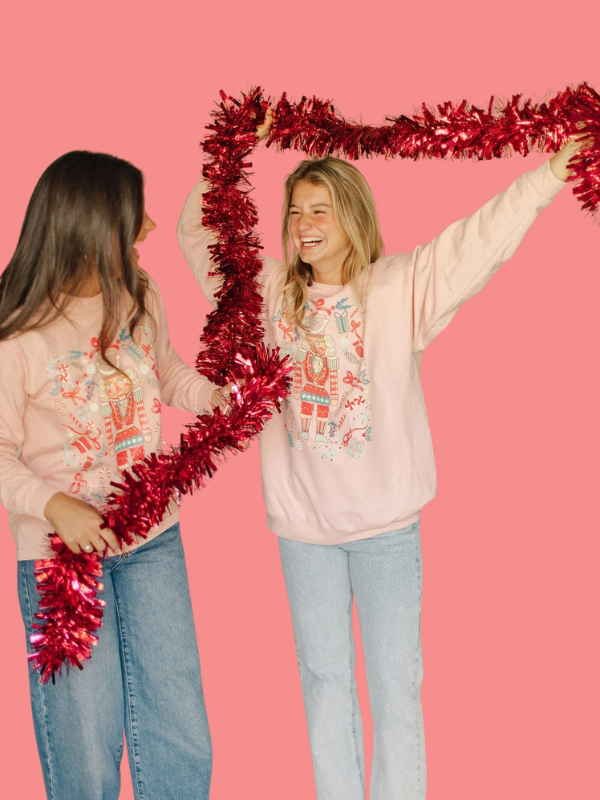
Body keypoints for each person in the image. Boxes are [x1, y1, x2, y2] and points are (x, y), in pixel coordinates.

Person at [177, 111, 581, 800]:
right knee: (325, 686)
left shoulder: (400, 287)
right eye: (295, 210)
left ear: (353, 218)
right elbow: (199, 234)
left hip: (387, 530)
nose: (303, 221)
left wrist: (549, 172)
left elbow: (479, 239)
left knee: (397, 690)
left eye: (320, 209)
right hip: (305, 536)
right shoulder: (269, 296)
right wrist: (233, 143)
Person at [0, 151, 229, 800]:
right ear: (89, 227)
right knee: (84, 741)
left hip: (153, 543)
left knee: (180, 730)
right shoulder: (17, 336)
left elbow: (168, 371)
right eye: (135, 216)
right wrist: (54, 506)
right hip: (61, 561)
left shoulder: (140, 291)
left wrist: (217, 396)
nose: (150, 227)